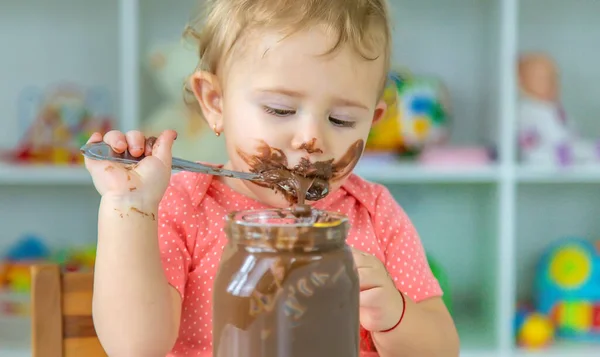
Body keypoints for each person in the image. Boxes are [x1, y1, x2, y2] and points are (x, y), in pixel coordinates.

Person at [84, 0, 460, 356]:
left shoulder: (374, 213)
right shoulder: (184, 206)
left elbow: (443, 347)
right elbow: (135, 346)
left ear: (372, 123)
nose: (310, 139)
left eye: (342, 120)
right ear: (216, 102)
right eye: (280, 110)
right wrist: (129, 207)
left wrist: (394, 314)